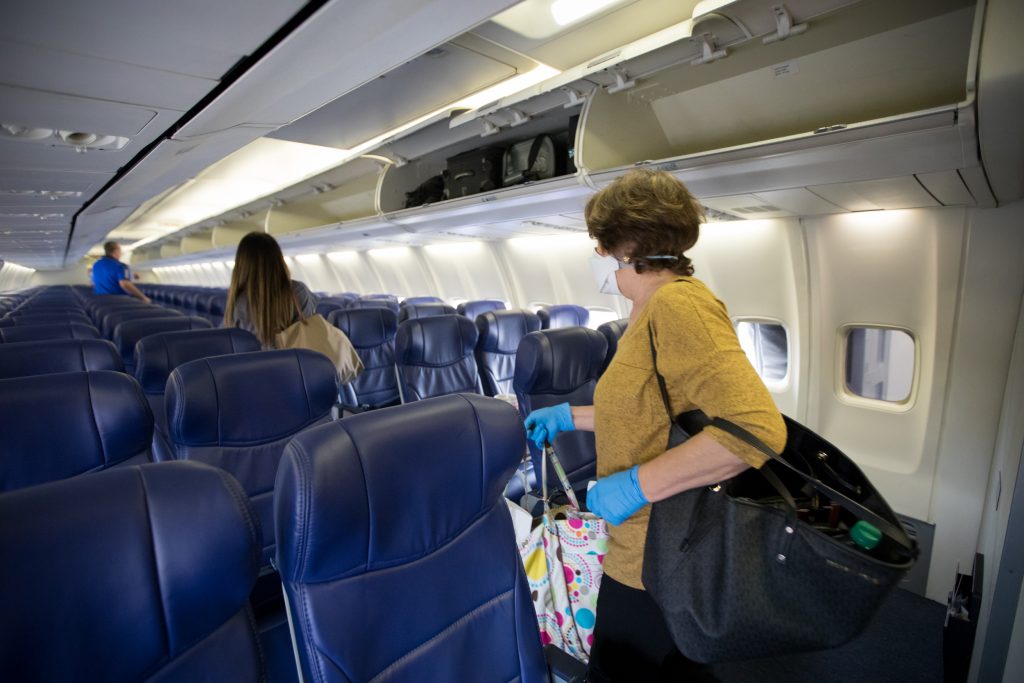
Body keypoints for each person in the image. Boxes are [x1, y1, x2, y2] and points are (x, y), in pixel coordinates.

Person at [523, 169, 786, 682]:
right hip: (645, 548)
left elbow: (754, 429)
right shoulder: (648, 310)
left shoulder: (678, 305)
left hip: (657, 553)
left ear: (628, 245)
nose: (597, 254)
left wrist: (635, 486)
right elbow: (648, 412)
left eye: (601, 244)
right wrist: (570, 417)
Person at [224, 232, 317, 348]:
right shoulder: (298, 291)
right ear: (278, 260)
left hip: (253, 366)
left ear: (241, 266)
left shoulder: (239, 303)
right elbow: (309, 336)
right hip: (298, 364)